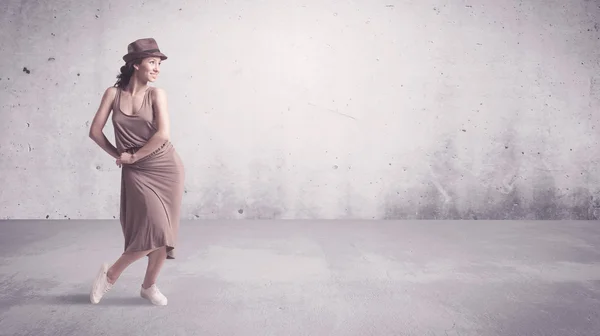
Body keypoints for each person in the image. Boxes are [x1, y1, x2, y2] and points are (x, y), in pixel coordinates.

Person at [87, 38, 185, 306]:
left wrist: (133, 156)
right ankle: (114, 276)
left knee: (163, 233)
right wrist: (120, 156)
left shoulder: (157, 94)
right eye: (152, 62)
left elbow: (163, 134)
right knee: (153, 229)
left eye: (158, 63)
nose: (157, 68)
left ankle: (141, 284)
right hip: (135, 170)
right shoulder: (112, 94)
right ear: (135, 65)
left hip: (165, 166)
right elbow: (95, 132)